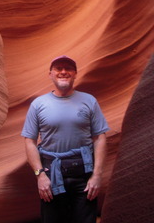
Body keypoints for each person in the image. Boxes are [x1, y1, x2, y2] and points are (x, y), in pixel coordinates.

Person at [21, 55, 109, 223]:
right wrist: (40, 176)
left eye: (68, 68)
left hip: (84, 175)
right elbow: (29, 141)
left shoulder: (89, 101)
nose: (63, 72)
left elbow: (100, 138)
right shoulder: (38, 104)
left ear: (75, 74)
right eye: (58, 68)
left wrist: (97, 176)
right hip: (51, 176)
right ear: (50, 74)